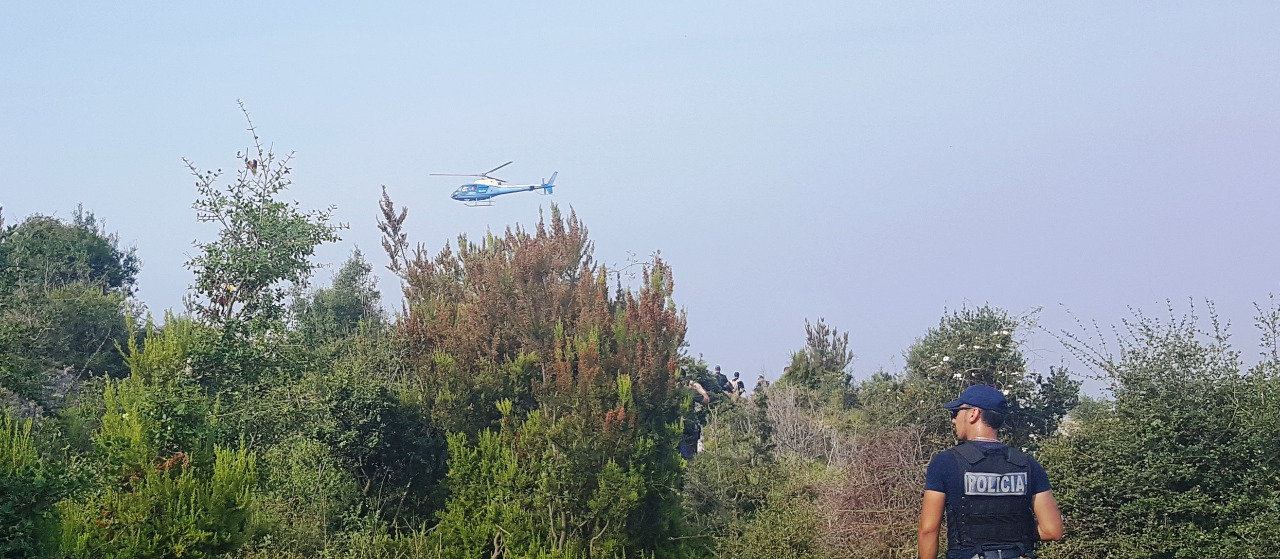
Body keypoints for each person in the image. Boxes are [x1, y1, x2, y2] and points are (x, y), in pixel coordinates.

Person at [918, 385, 1063, 559]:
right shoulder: (1027, 463)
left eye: (956, 412)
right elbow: (1052, 530)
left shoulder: (945, 462)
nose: (954, 420)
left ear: (973, 413)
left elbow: (928, 530)